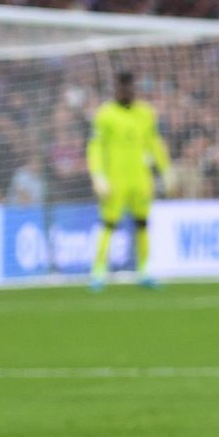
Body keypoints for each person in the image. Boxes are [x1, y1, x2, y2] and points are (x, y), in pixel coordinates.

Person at [87, 70, 173, 289]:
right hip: (114, 180)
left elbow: (154, 143)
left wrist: (166, 170)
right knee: (109, 224)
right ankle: (98, 272)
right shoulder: (105, 114)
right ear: (115, 89)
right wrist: (98, 175)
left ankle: (144, 271)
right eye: (121, 87)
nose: (126, 91)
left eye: (129, 87)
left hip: (140, 179)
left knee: (142, 224)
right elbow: (95, 147)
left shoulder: (145, 113)